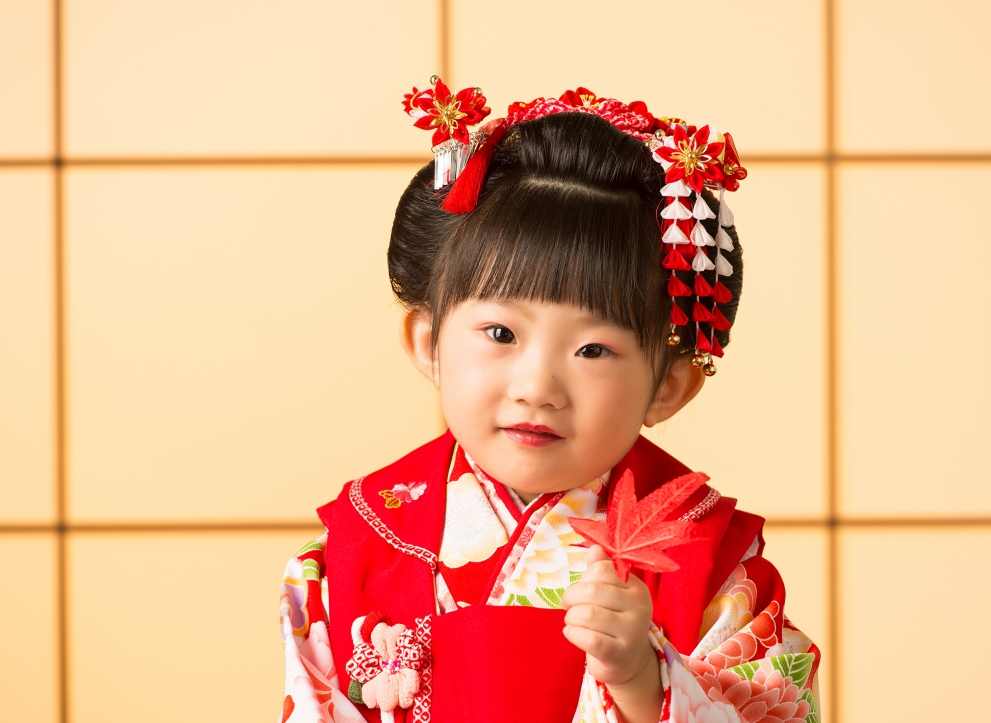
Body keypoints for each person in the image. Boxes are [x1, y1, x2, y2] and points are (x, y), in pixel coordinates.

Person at [277, 81, 821, 723]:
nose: (537, 387)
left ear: (669, 384)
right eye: (501, 333)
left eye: (592, 350)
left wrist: (645, 684)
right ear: (428, 343)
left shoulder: (715, 561)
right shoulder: (353, 548)